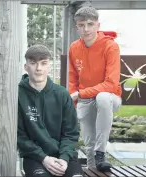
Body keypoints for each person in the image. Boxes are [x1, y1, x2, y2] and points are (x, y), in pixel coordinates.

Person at [68, 6, 122, 172]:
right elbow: (72, 79)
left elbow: (111, 84)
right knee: (89, 145)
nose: (86, 29)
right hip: (85, 100)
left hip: (110, 98)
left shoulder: (110, 47)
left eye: (90, 24)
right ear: (77, 27)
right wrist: (74, 99)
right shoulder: (74, 48)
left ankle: (101, 151)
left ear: (98, 25)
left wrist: (81, 93)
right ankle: (94, 165)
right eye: (82, 25)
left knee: (103, 97)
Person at [17, 44, 83, 177]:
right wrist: (44, 158)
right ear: (26, 67)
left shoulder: (62, 94)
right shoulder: (18, 94)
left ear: (49, 66)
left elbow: (71, 133)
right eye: (33, 63)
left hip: (65, 155)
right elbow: (19, 136)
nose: (38, 68)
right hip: (35, 157)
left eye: (43, 63)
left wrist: (64, 159)